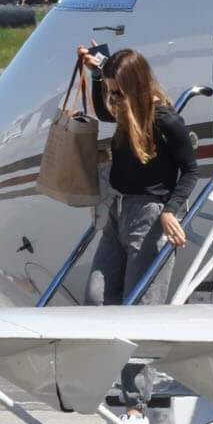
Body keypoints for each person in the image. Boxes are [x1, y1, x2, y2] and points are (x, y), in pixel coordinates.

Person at [75, 45, 198, 307]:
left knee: (140, 304)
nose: (114, 99)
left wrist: (170, 211)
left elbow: (190, 170)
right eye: (111, 92)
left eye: (118, 93)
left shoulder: (166, 121)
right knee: (96, 299)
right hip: (118, 211)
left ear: (136, 86)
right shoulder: (126, 111)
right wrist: (96, 74)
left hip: (149, 216)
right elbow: (103, 110)